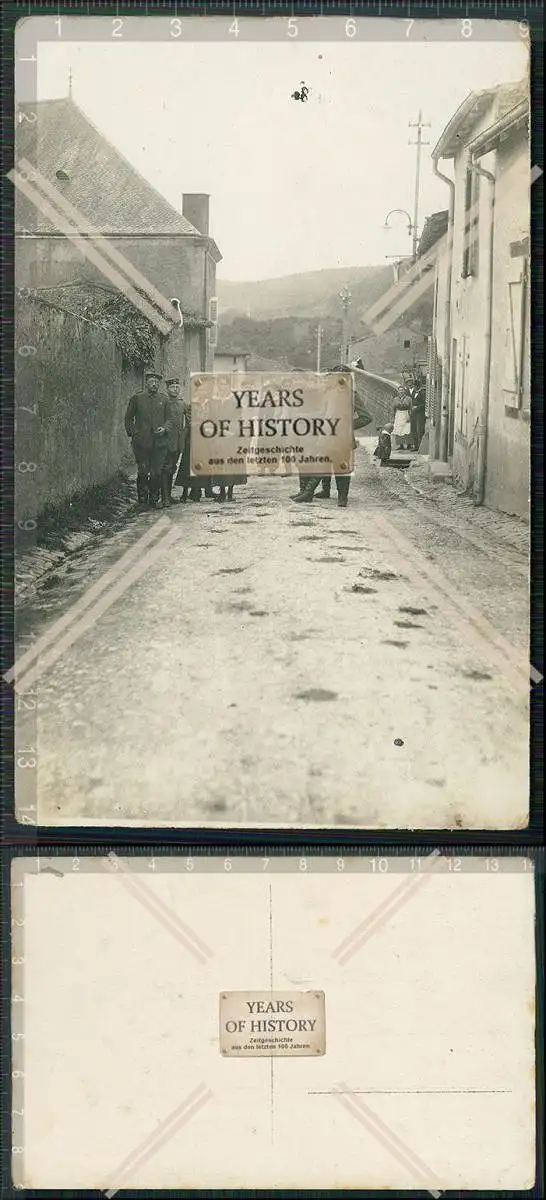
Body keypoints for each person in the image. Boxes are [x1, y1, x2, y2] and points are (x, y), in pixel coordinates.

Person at [124, 369, 170, 508]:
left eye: (157, 382)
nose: (154, 384)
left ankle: (154, 499)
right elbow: (128, 418)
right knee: (143, 471)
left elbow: (170, 419)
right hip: (141, 443)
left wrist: (165, 428)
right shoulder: (137, 398)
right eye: (151, 381)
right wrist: (134, 433)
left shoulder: (164, 399)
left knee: (156, 472)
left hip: (159, 443)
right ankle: (142, 500)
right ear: (146, 383)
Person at [174, 390, 214, 502]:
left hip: (205, 439)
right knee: (188, 464)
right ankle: (185, 492)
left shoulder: (210, 405)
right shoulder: (193, 405)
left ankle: (201, 490)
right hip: (193, 437)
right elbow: (190, 421)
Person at [161, 377, 187, 506]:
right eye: (172, 387)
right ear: (167, 389)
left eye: (177, 387)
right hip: (165, 440)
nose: (175, 389)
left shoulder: (182, 404)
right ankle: (164, 497)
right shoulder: (163, 402)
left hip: (177, 442)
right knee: (165, 468)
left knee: (172, 468)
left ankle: (168, 496)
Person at [409, 379, 426, 451]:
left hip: (420, 415)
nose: (413, 387)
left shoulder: (422, 393)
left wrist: (417, 407)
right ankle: (415, 446)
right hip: (413, 414)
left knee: (420, 430)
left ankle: (420, 447)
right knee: (413, 430)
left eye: (414, 386)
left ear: (417, 386)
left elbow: (424, 405)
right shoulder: (413, 393)